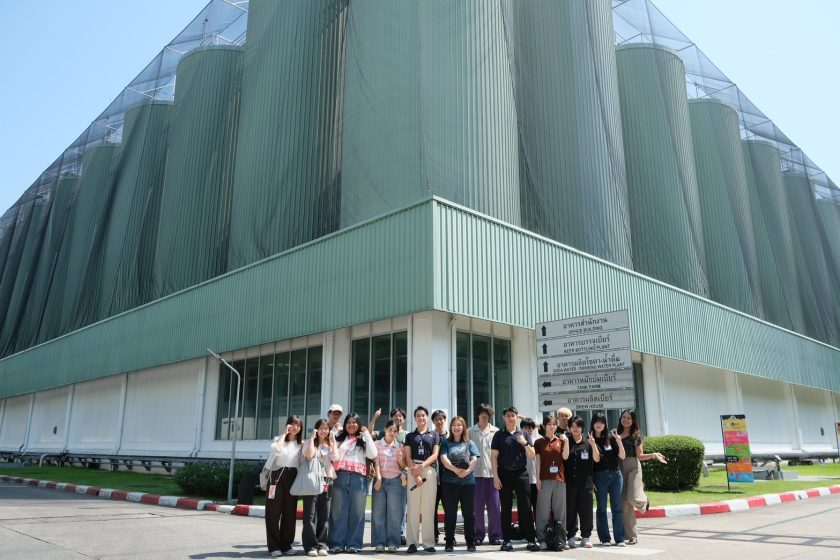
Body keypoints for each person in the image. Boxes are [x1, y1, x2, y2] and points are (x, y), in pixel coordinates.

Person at [491, 406, 539, 552]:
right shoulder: (498, 435)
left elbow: (532, 455)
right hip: (504, 473)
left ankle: (531, 540)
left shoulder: (524, 433)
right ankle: (506, 541)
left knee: (526, 507)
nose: (510, 418)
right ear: (504, 417)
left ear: (517, 417)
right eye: (508, 415)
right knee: (505, 508)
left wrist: (524, 442)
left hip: (521, 473)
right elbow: (494, 457)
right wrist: (495, 477)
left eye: (513, 415)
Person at [617, 409, 667, 545]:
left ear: (633, 421)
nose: (626, 420)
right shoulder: (615, 434)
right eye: (624, 417)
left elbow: (640, 456)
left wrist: (653, 455)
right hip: (619, 467)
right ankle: (631, 536)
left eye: (629, 418)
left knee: (632, 497)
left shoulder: (637, 436)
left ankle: (644, 501)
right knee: (624, 504)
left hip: (633, 466)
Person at [329, 413, 377, 553]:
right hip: (340, 475)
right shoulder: (339, 438)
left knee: (357, 511)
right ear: (345, 424)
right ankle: (337, 543)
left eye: (354, 422)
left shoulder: (363, 439)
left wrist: (367, 435)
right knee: (338, 510)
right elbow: (331, 453)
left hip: (358, 477)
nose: (351, 425)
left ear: (359, 424)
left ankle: (354, 544)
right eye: (349, 422)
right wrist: (333, 432)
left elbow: (373, 454)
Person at [264, 415, 303, 557]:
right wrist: (284, 434)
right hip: (276, 477)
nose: (295, 427)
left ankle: (286, 545)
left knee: (290, 513)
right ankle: (274, 546)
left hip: (293, 477)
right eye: (292, 424)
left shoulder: (301, 444)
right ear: (287, 425)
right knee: (273, 513)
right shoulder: (278, 439)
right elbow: (276, 450)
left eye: (298, 425)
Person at [439, 416, 479, 552]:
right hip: (449, 484)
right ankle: (449, 542)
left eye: (459, 425)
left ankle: (470, 542)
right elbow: (443, 459)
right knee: (450, 514)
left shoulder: (470, 443)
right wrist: (456, 470)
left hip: (468, 484)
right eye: (454, 425)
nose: (456, 428)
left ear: (464, 427)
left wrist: (467, 472)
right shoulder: (445, 443)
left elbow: (474, 459)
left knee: (469, 514)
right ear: (451, 427)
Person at [404, 406, 440, 553]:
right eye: (418, 415)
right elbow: (407, 456)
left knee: (428, 507)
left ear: (427, 417)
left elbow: (435, 455)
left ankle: (428, 543)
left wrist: (422, 466)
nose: (421, 418)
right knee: (413, 508)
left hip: (429, 470)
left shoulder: (434, 435)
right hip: (413, 470)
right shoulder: (410, 436)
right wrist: (415, 473)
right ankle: (412, 543)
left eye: (423, 415)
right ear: (415, 418)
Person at [302, 418, 340, 556]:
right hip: (312, 480)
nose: (324, 431)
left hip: (326, 480)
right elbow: (309, 455)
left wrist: (333, 441)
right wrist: (312, 438)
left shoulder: (330, 444)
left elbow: (335, 458)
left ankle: (322, 544)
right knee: (310, 514)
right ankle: (310, 546)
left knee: (324, 514)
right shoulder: (309, 442)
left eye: (326, 428)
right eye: (321, 428)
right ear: (317, 429)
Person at [467, 403, 502, 546]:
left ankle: (495, 535)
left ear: (490, 415)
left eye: (486, 413)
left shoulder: (496, 431)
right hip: (475, 475)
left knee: (494, 507)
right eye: (481, 412)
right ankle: (478, 535)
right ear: (477, 414)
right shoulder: (470, 431)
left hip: (493, 474)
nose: (484, 415)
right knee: (477, 508)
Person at [564, 416, 600, 549]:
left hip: (586, 483)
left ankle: (586, 537)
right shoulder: (566, 441)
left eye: (577, 426)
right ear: (569, 427)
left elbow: (597, 459)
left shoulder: (588, 442)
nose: (575, 429)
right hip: (570, 482)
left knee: (586, 511)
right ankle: (571, 536)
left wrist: (593, 444)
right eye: (572, 426)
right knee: (570, 510)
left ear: (582, 428)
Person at [534, 414, 569, 550]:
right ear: (544, 426)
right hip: (544, 478)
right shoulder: (539, 442)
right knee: (542, 511)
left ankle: (561, 539)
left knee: (560, 511)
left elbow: (565, 456)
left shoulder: (561, 440)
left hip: (559, 478)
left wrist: (566, 442)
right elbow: (538, 461)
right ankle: (542, 539)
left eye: (554, 424)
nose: (552, 427)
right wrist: (537, 479)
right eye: (549, 424)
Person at [591, 411, 626, 547]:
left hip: (616, 475)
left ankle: (619, 538)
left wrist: (619, 442)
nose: (599, 425)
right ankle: (605, 538)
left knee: (617, 507)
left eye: (602, 422)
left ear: (605, 424)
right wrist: (593, 444)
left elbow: (622, 456)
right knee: (601, 508)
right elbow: (594, 460)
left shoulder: (611, 438)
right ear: (593, 423)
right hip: (600, 476)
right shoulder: (590, 439)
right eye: (596, 422)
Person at [372, 420, 407, 552]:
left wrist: (400, 459)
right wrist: (378, 478)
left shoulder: (400, 446)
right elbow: (376, 462)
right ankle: (379, 542)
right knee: (378, 513)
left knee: (395, 514)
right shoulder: (377, 444)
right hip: (380, 481)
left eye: (395, 431)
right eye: (390, 430)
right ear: (385, 430)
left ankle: (393, 542)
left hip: (396, 482)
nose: (392, 433)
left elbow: (404, 466)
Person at [431, 409, 448, 544]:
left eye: (441, 419)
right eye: (436, 419)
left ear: (445, 420)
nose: (439, 421)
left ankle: (449, 535)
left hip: (448, 479)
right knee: (432, 509)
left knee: (449, 509)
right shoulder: (430, 437)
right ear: (433, 421)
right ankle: (434, 535)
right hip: (433, 479)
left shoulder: (451, 437)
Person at [519, 417, 540, 521]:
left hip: (536, 478)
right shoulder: (518, 441)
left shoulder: (537, 441)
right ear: (521, 429)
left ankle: (538, 527)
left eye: (531, 428)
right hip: (523, 477)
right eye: (526, 428)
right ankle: (527, 528)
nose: (528, 430)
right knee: (525, 505)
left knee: (537, 505)